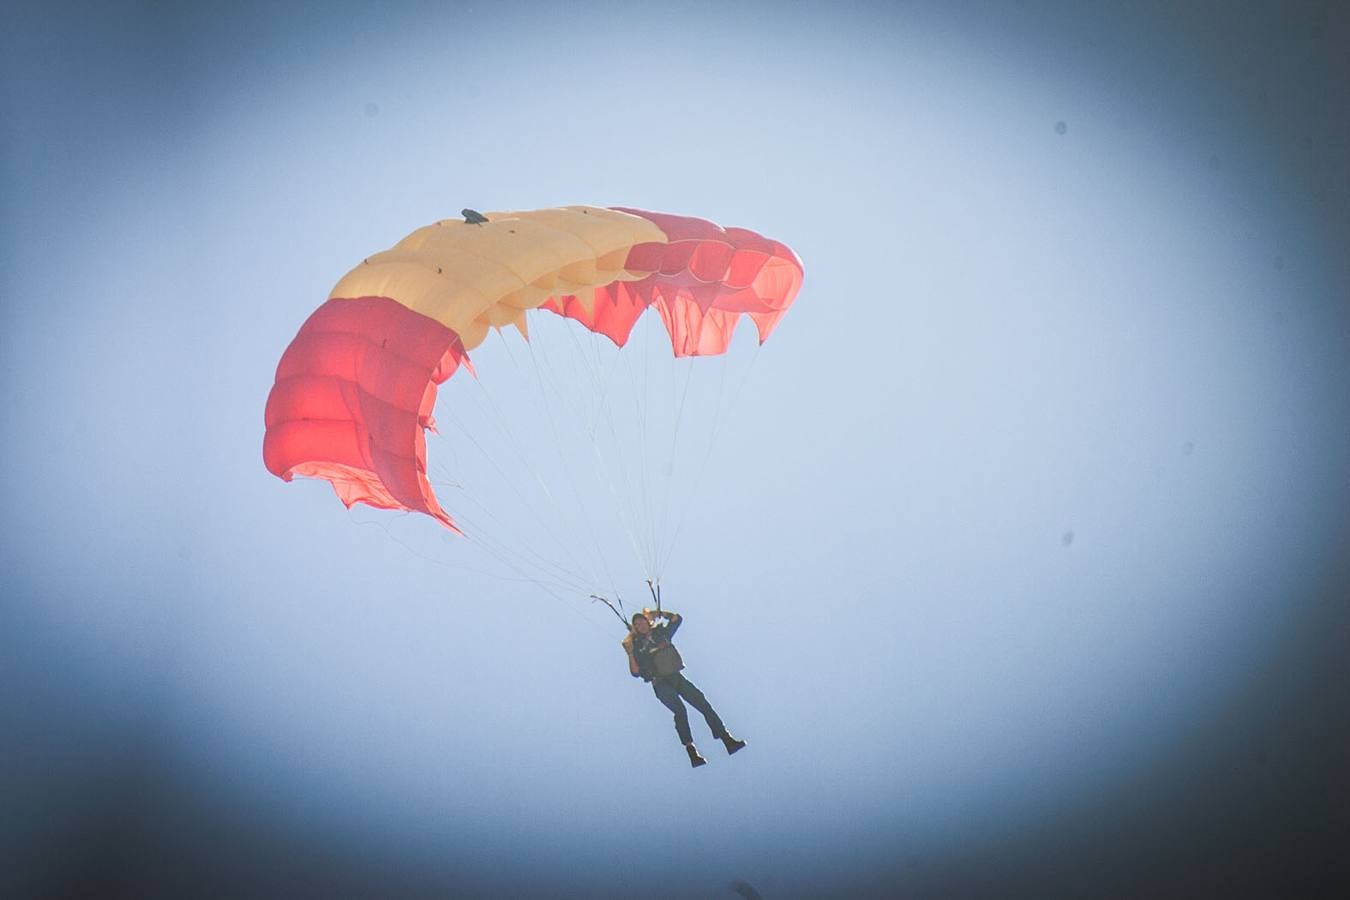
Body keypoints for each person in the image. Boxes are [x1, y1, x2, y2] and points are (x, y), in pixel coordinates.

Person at [622, 607, 746, 767]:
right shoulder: (638, 647)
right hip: (660, 683)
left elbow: (676, 619)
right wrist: (630, 653)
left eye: (642, 622)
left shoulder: (661, 634)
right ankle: (692, 752)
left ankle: (727, 739)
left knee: (702, 702)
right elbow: (636, 672)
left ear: (648, 622)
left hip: (676, 677)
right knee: (680, 710)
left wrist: (658, 613)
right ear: (635, 630)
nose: (640, 626)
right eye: (637, 625)